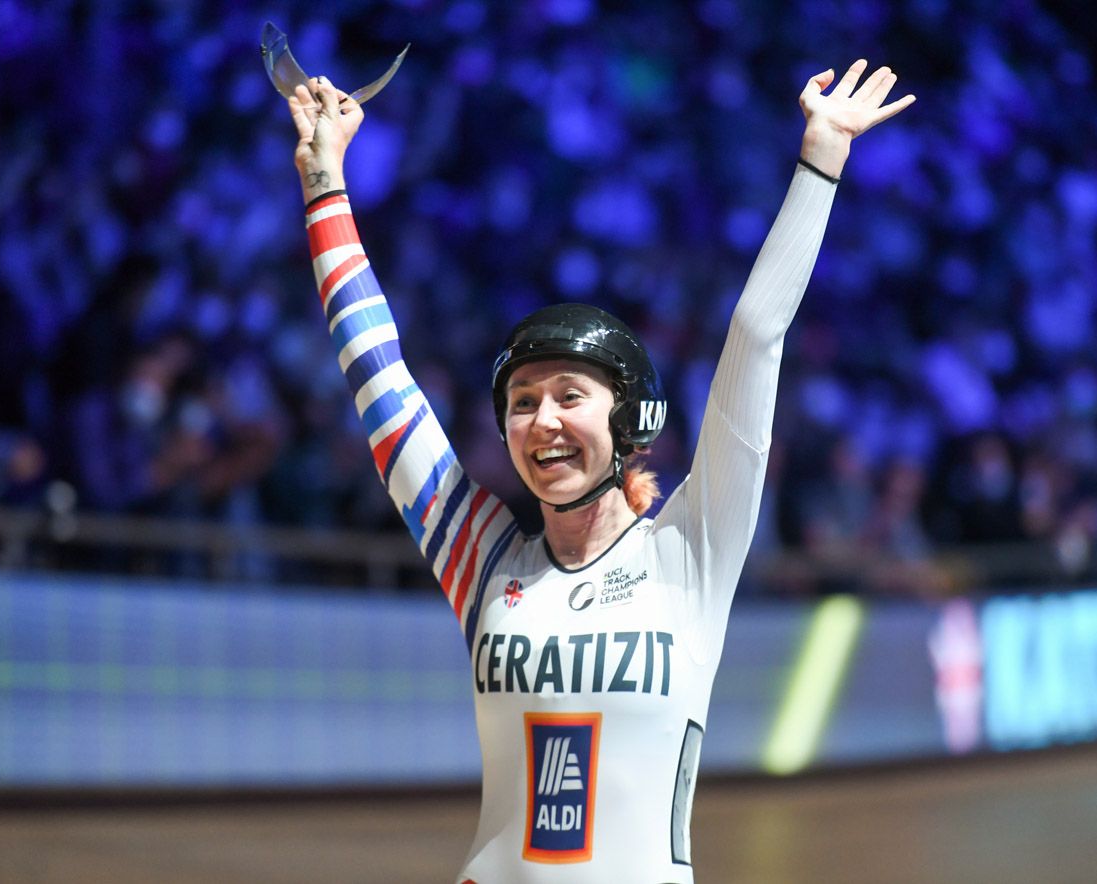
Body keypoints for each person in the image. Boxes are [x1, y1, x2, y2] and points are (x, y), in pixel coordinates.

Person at [287, 59, 913, 883]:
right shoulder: (479, 555)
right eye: (520, 401)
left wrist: (820, 159)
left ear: (629, 420)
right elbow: (378, 374)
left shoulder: (692, 550)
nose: (540, 420)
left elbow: (757, 334)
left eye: (568, 395)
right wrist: (324, 179)